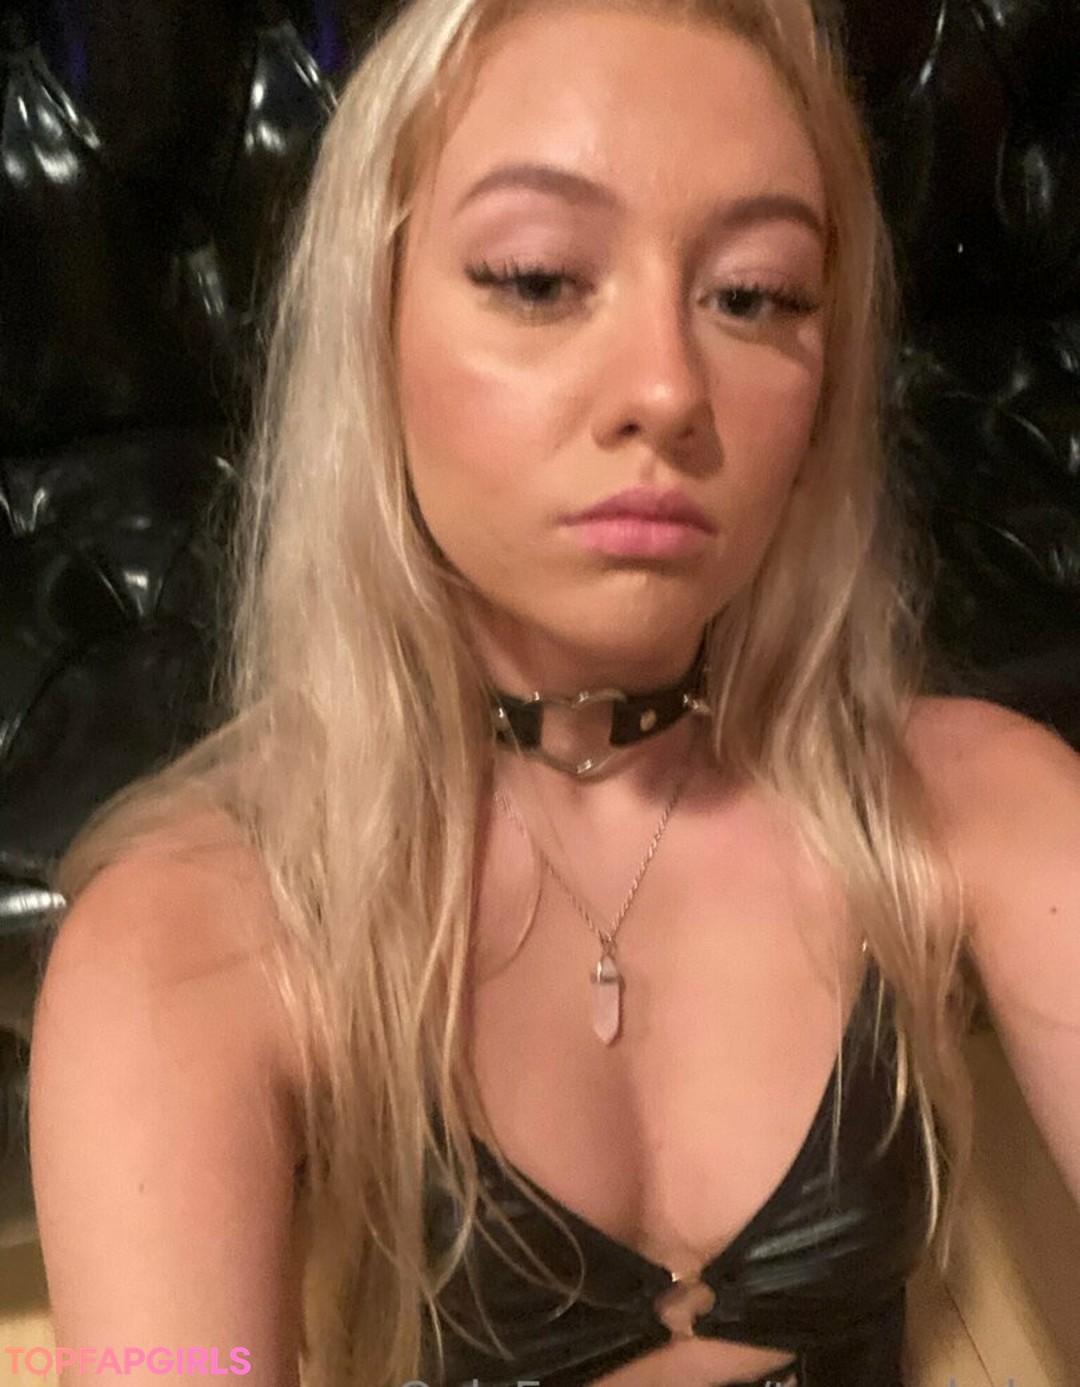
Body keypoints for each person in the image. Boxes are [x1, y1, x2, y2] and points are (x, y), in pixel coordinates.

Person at [27, 1, 1080, 1385]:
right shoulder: (188, 944)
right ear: (373, 330)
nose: (667, 389)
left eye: (755, 295)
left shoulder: (973, 806)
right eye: (536, 278)